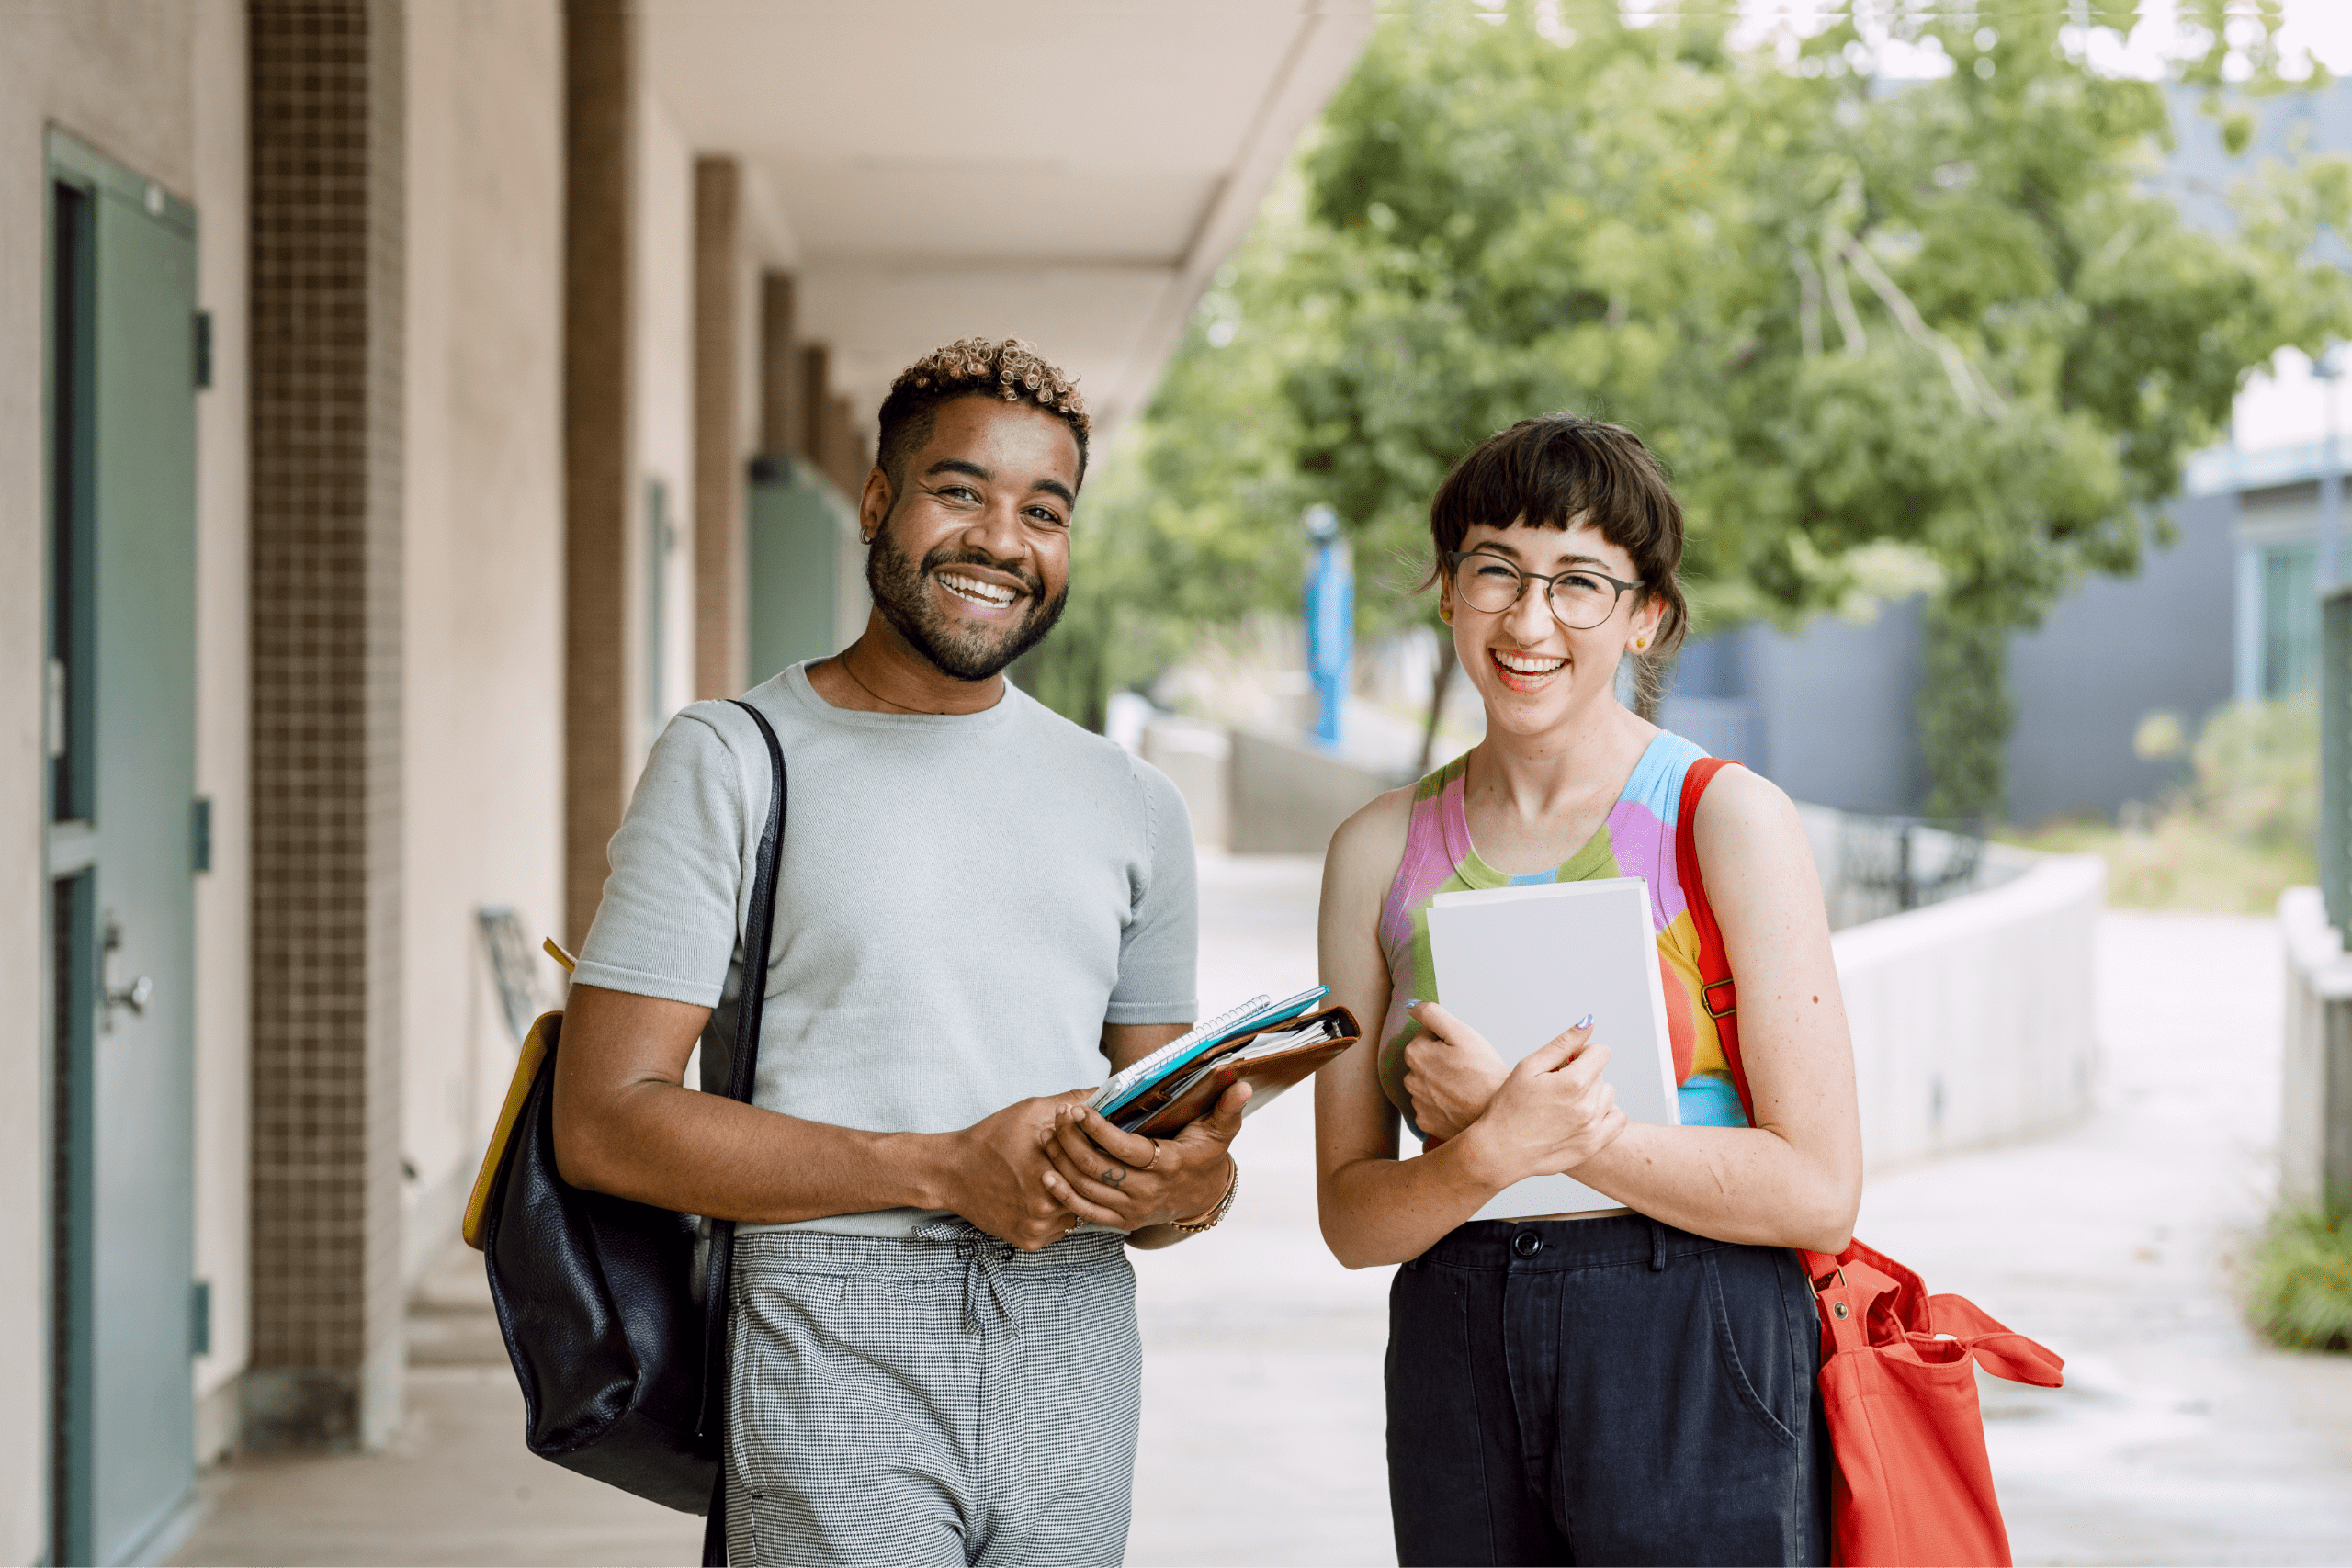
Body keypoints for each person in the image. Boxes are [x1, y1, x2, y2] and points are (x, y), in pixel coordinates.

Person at [551, 337, 1249, 1568]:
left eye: (1045, 509)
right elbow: (603, 1119)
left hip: (1073, 1326)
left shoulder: (1133, 803)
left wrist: (1191, 1190)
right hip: (830, 1314)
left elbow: (1171, 1145)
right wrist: (941, 1166)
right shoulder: (733, 757)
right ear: (879, 502)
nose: (1001, 538)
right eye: (961, 490)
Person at [1313, 413, 1863, 1567]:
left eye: (1578, 583)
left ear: (1644, 615)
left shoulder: (1724, 818)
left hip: (1693, 1326)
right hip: (1454, 1335)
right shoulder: (1376, 850)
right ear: (1448, 589)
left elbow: (1818, 1189)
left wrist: (1562, 1136)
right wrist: (1481, 1157)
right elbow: (1353, 1220)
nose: (1528, 620)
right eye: (1495, 572)